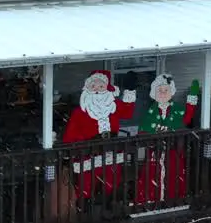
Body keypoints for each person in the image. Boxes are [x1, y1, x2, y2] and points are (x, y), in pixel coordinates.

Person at [61, 70, 137, 198]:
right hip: (88, 150)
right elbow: (71, 133)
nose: (97, 90)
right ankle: (85, 205)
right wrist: (72, 150)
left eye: (101, 86)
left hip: (110, 148)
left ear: (106, 89)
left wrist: (130, 89)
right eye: (93, 86)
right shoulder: (80, 112)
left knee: (111, 179)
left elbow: (127, 112)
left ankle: (109, 203)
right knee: (86, 182)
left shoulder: (113, 106)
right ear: (87, 88)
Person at [137, 73, 196, 205]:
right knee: (151, 174)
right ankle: (149, 199)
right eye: (160, 90)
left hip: (173, 150)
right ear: (155, 93)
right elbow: (143, 130)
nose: (163, 93)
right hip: (154, 152)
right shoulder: (150, 112)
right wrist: (153, 136)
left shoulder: (177, 110)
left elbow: (187, 118)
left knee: (174, 173)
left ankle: (174, 198)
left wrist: (192, 96)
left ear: (171, 92)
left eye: (166, 90)